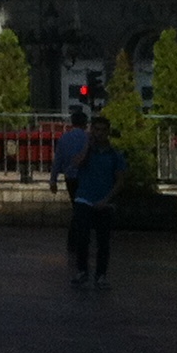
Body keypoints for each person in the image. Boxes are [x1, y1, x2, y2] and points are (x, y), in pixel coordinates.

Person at [69, 117, 124, 289]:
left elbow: (120, 180)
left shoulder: (115, 155)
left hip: (104, 202)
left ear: (108, 132)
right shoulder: (86, 151)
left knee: (103, 241)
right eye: (96, 130)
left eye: (103, 130)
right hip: (84, 198)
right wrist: (88, 146)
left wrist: (107, 199)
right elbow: (76, 164)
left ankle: (101, 275)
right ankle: (82, 271)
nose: (99, 133)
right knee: (82, 237)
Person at [49, 106, 90, 197]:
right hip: (86, 176)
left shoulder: (64, 138)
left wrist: (53, 180)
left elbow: (57, 160)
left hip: (70, 176)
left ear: (72, 122)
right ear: (85, 123)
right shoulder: (89, 138)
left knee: (74, 200)